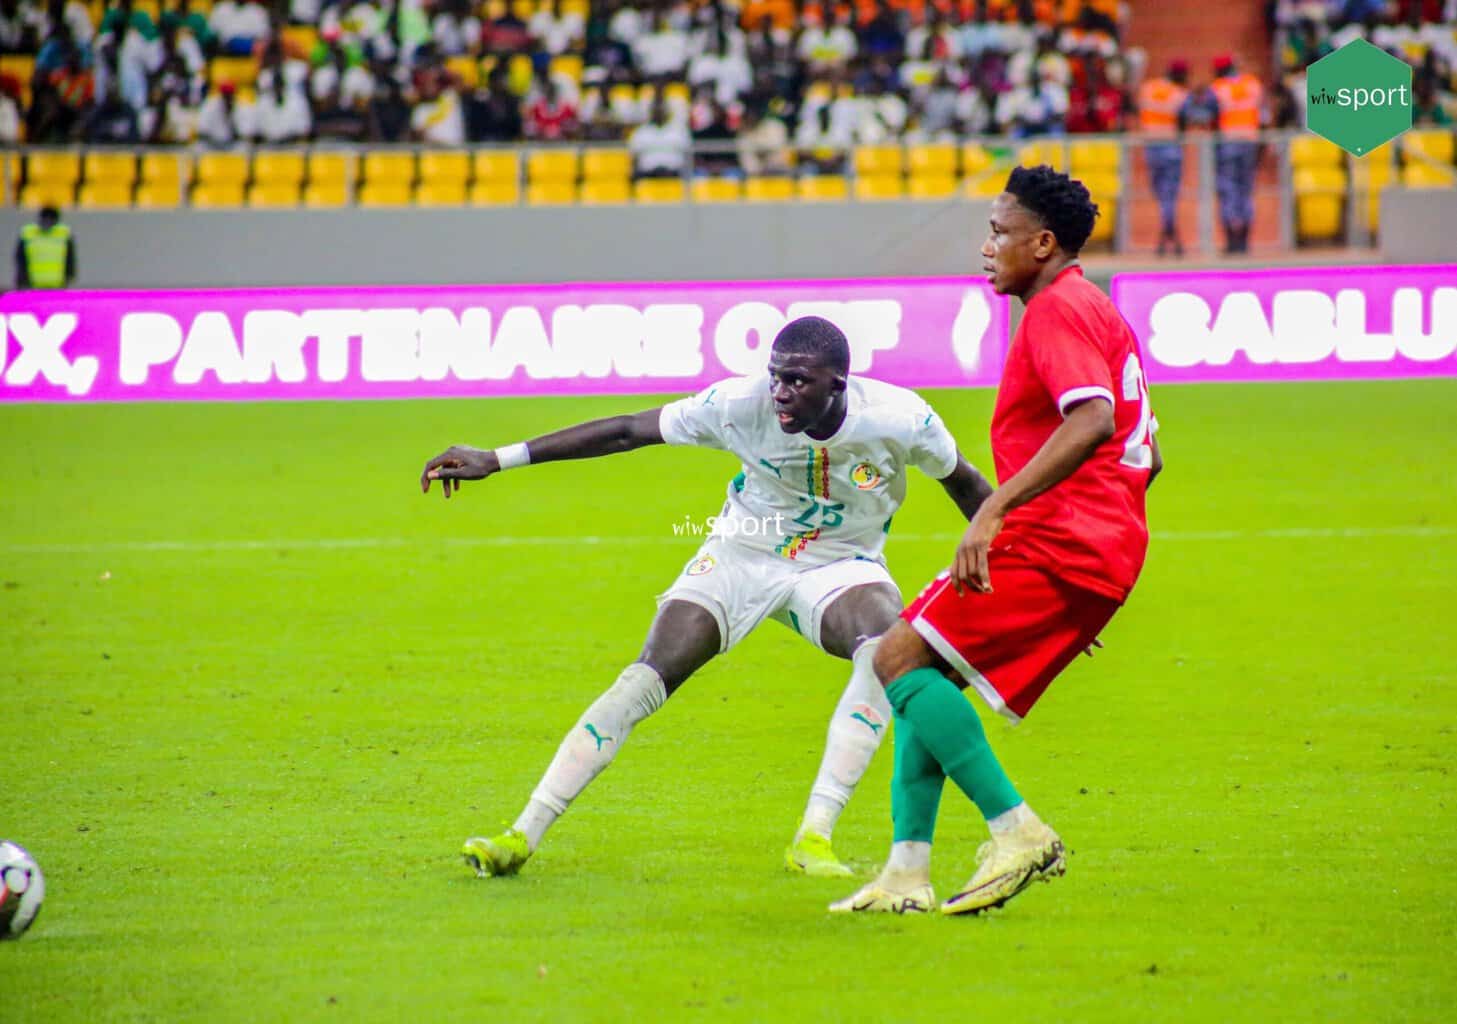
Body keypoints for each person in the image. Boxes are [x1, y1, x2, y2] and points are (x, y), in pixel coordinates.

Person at [420, 316, 997, 880]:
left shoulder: (901, 419)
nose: (780, 393)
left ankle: (814, 836)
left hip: (841, 563)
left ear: (838, 384)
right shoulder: (737, 405)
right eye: (775, 376)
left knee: (887, 647)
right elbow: (627, 429)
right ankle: (521, 834)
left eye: (797, 381)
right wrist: (499, 457)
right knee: (647, 675)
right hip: (741, 552)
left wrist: (1032, 581)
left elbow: (969, 487)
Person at [831, 165, 1162, 916]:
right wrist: (1094, 565)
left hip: (1058, 541)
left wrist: (993, 513)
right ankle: (905, 876)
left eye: (998, 232)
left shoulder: (1055, 312)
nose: (986, 247)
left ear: (1042, 243)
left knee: (896, 657)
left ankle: (1017, 831)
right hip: (1085, 546)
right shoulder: (1095, 309)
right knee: (927, 667)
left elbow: (1092, 421)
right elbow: (1148, 454)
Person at [1210, 53, 1263, 255]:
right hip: (1250, 143)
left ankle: (1232, 240)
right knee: (1246, 191)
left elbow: (1211, 115)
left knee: (1227, 191)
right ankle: (1245, 240)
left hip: (1228, 145)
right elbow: (1263, 114)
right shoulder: (1253, 84)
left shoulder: (1218, 88)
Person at [1138, 59, 1190, 257]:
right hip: (1171, 149)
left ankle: (1166, 238)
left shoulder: (1148, 88)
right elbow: (1183, 123)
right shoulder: (1179, 94)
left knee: (1161, 195)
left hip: (1151, 149)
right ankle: (1170, 236)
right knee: (1169, 196)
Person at [15, 206, 76, 290]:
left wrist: (69, 276)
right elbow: (20, 258)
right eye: (45, 219)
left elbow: (70, 258)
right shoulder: (28, 234)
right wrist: (22, 279)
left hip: (57, 285)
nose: (47, 222)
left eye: (50, 219)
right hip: (33, 285)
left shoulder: (63, 234)